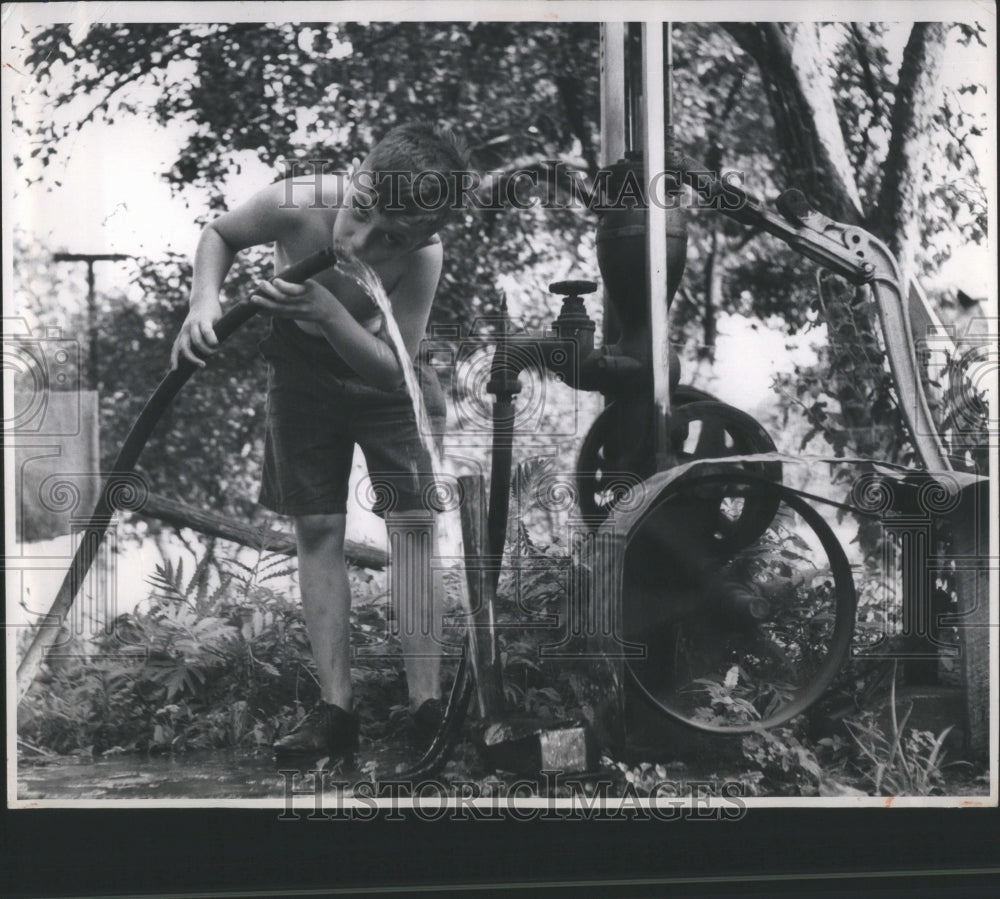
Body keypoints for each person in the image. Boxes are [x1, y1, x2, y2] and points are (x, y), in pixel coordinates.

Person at [170, 123, 471, 761]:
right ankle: (336, 711)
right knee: (318, 528)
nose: (359, 242)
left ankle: (427, 708)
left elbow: (394, 367)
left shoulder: (424, 257)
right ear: (356, 174)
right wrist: (203, 303)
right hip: (300, 375)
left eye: (389, 237)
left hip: (382, 375)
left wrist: (331, 313)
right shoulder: (301, 200)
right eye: (360, 214)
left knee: (413, 526)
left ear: (422, 236)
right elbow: (219, 234)